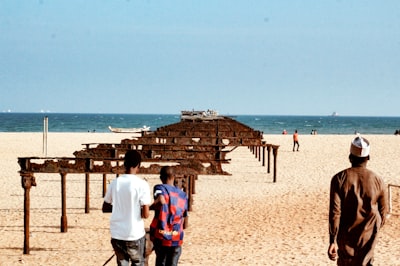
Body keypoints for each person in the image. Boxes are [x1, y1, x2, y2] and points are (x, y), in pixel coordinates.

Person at [328, 136, 388, 265]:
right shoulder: (378, 180)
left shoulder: (339, 179)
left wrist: (332, 240)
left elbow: (335, 213)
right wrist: (373, 229)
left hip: (345, 236)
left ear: (350, 157)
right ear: (368, 158)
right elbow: (383, 212)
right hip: (369, 237)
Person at [102, 150, 151, 266]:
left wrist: (120, 207)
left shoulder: (115, 183)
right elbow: (146, 214)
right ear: (138, 165)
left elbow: (105, 207)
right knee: (138, 263)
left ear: (124, 164)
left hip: (117, 233)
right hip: (134, 233)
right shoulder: (142, 184)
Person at [150, 166, 188, 266]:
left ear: (161, 177)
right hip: (176, 236)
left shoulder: (159, 188)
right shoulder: (183, 195)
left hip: (161, 236)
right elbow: (185, 222)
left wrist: (149, 207)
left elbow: (161, 199)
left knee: (161, 262)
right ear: (174, 177)